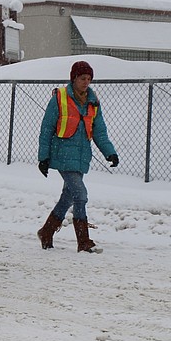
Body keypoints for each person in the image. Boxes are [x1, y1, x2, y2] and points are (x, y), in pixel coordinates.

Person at [37, 60, 119, 253]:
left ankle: (46, 232)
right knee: (81, 196)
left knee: (68, 198)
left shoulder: (93, 102)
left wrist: (110, 152)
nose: (86, 82)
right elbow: (46, 128)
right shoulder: (60, 98)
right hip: (63, 156)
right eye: (82, 78)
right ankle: (83, 242)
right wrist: (44, 157)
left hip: (82, 158)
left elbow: (100, 132)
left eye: (89, 79)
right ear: (73, 78)